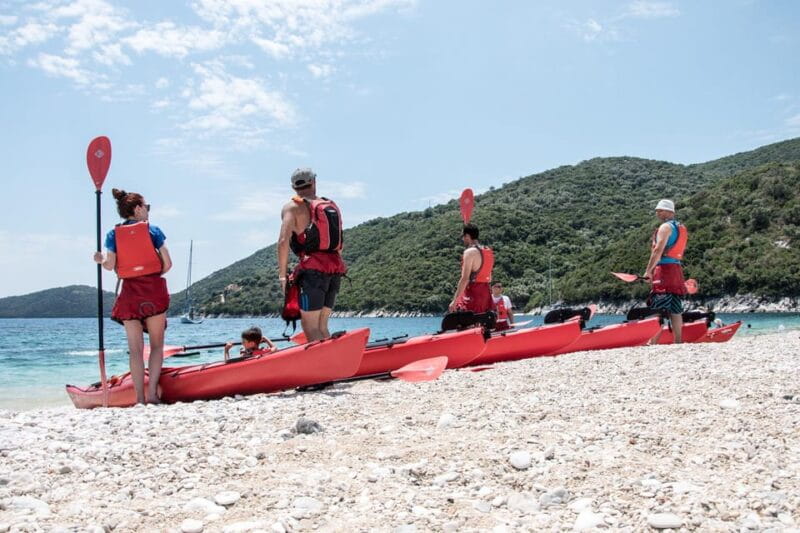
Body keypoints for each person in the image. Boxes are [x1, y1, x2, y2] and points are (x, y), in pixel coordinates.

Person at [93, 188, 172, 404]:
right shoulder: (153, 230)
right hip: (154, 291)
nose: (147, 211)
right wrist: (153, 275)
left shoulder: (112, 234)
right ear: (137, 209)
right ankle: (153, 395)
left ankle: (139, 399)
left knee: (135, 350)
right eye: (146, 207)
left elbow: (109, 265)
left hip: (129, 294)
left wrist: (100, 259)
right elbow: (168, 263)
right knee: (156, 345)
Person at [277, 168, 347, 342]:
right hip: (334, 268)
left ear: (294, 187)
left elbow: (283, 241)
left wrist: (282, 276)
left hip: (313, 272)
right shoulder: (329, 205)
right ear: (314, 182)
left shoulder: (292, 207)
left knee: (310, 327)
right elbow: (339, 244)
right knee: (322, 326)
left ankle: (324, 368)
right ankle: (334, 365)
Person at [643, 199, 688, 343]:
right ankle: (678, 341)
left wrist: (648, 271)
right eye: (657, 210)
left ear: (670, 211)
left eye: (660, 210)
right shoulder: (681, 227)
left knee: (658, 307)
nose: (658, 213)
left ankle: (653, 341)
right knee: (676, 308)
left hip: (664, 270)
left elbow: (657, 251)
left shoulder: (665, 227)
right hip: (676, 270)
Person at [449, 223, 494, 313]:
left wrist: (455, 300)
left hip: (473, 294)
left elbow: (465, 279)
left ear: (468, 236)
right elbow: (489, 277)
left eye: (463, 236)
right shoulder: (489, 251)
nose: (462, 239)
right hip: (485, 293)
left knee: (466, 322)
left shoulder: (469, 252)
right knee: (483, 323)